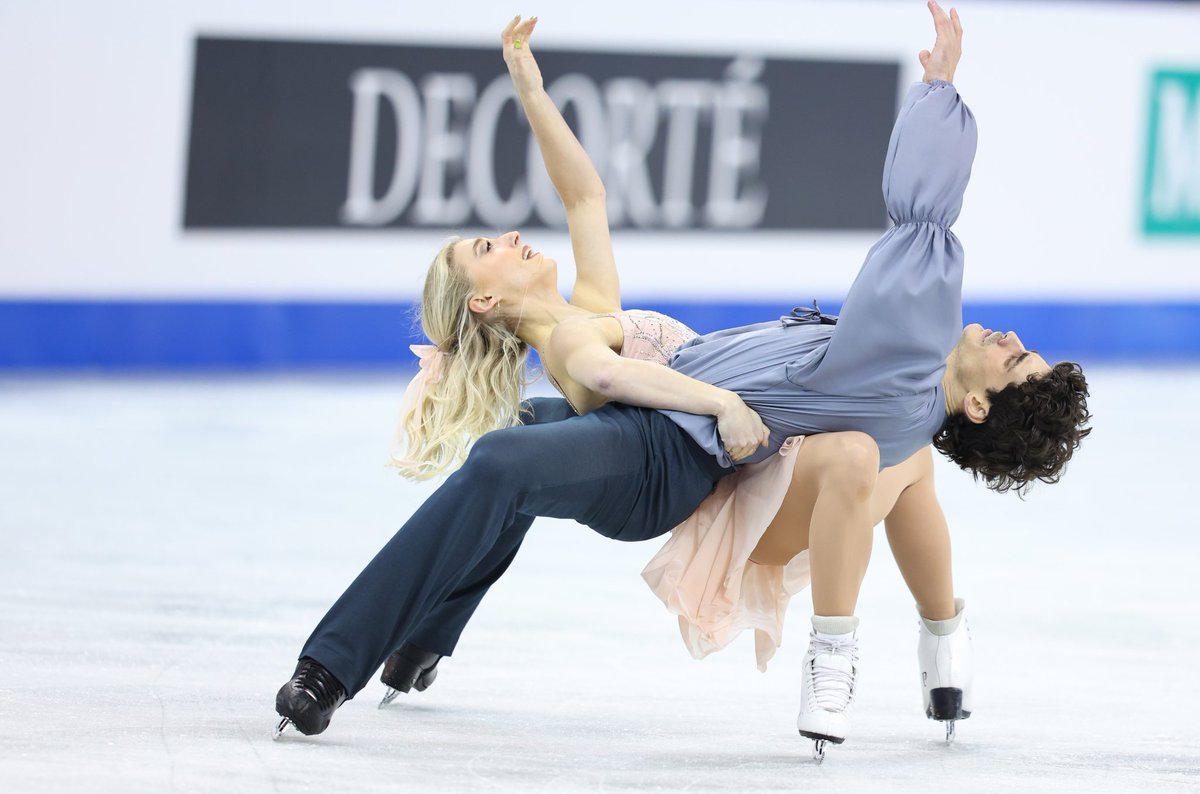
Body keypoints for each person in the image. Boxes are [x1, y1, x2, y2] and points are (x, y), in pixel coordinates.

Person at [274, 4, 1091, 753]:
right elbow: (585, 207)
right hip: (661, 424)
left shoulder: (591, 314)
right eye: (487, 247)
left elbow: (589, 210)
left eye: (1016, 357)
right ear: (487, 302)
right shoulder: (579, 318)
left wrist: (939, 97)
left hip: (664, 457)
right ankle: (426, 637)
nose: (510, 234)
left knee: (500, 463)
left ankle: (330, 667)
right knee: (514, 447)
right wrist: (528, 85)